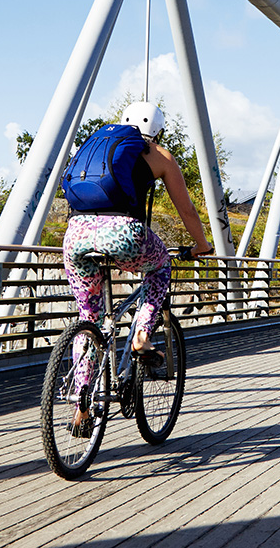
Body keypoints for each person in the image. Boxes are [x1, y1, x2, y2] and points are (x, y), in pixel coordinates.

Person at [62, 102, 213, 364]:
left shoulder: (99, 144)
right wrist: (201, 245)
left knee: (88, 318)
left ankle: (82, 400)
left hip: (76, 233)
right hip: (123, 233)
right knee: (161, 265)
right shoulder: (159, 155)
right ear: (159, 131)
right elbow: (187, 210)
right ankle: (142, 335)